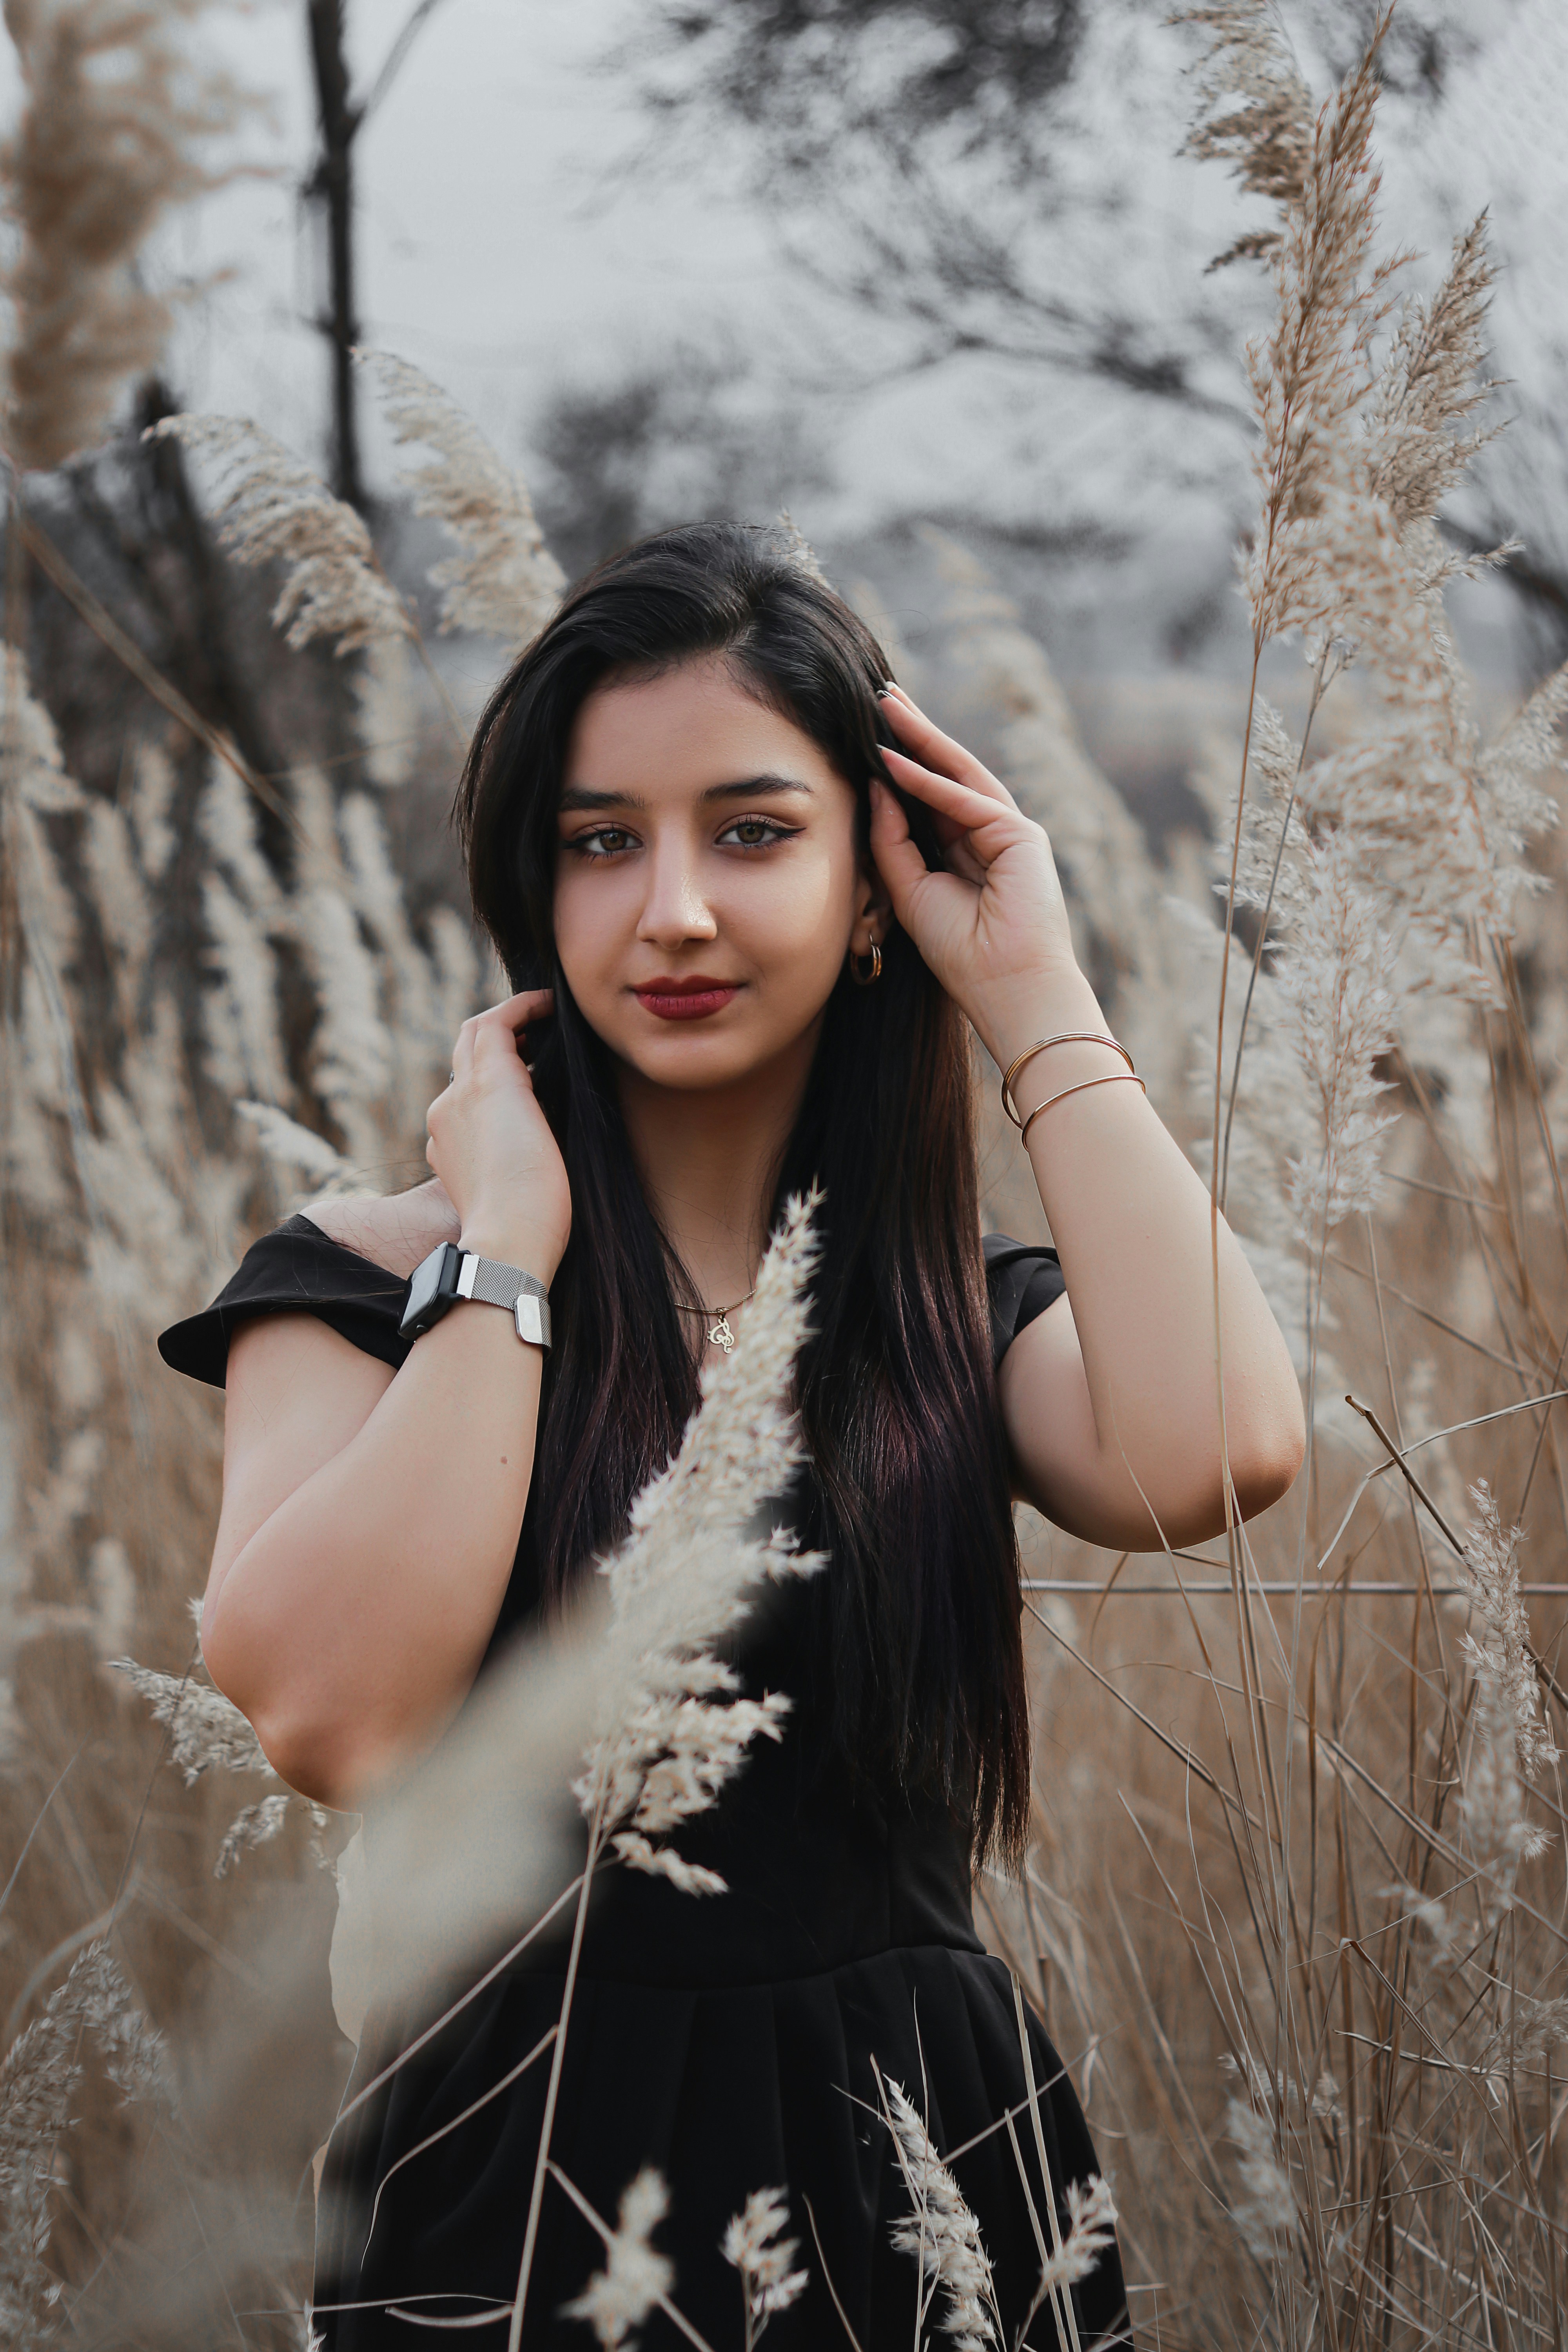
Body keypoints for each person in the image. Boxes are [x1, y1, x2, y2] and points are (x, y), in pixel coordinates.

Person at [159, 522, 1305, 2349]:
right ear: (534, 888)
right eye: (601, 841)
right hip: (525, 2184)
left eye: (753, 833)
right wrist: (505, 1250)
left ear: (873, 886)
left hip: (928, 2169)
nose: (672, 910)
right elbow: (334, 1719)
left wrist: (1033, 991)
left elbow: (1217, 1452)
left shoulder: (943, 1312)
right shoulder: (367, 1287)